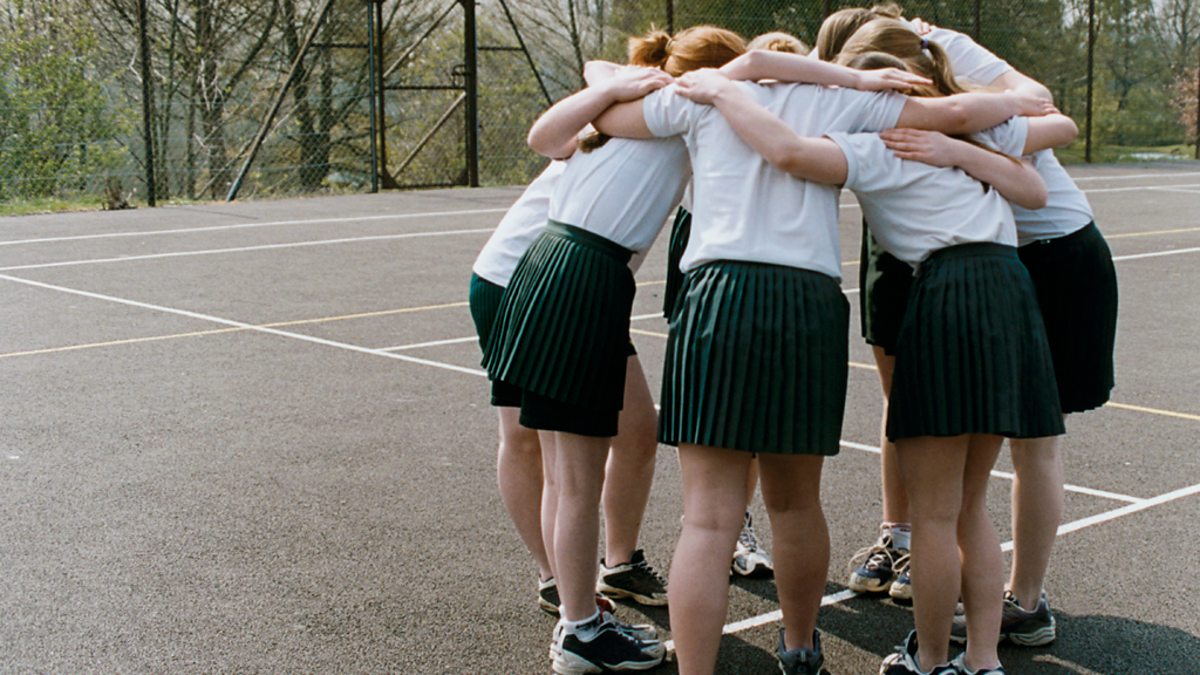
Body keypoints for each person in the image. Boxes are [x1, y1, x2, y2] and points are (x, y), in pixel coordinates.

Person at [589, 44, 1052, 674]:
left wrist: (687, 83)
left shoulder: (703, 96)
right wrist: (997, 103)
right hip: (806, 300)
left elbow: (607, 115)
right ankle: (803, 649)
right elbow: (965, 116)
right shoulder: (854, 104)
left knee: (707, 520)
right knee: (796, 504)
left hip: (719, 292)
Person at [821, 8, 1118, 643]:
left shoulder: (962, 91)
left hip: (1051, 253)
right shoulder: (904, 117)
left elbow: (1054, 121)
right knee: (938, 443)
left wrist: (960, 134)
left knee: (1033, 439)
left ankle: (1025, 601)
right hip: (977, 259)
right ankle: (910, 549)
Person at [489, 25, 747, 674]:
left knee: (563, 471)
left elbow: (570, 103)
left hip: (547, 263)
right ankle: (580, 631)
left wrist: (617, 82)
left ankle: (579, 616)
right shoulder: (679, 108)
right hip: (585, 276)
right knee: (577, 478)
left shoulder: (624, 106)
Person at [469, 149, 663, 637]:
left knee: (638, 428)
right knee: (529, 440)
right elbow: (548, 135)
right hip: (515, 276)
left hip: (581, 284)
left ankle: (618, 564)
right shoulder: (635, 112)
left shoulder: (679, 119)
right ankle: (557, 578)